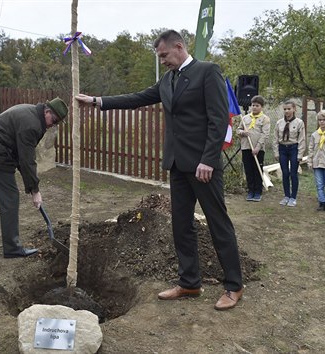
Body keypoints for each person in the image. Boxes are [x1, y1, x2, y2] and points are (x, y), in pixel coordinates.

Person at [76, 30, 244, 311]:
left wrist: (208, 158)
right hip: (177, 164)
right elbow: (137, 98)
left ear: (179, 47)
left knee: (218, 224)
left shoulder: (207, 72)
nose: (162, 61)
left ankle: (234, 286)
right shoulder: (168, 80)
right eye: (160, 57)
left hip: (204, 166)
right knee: (181, 225)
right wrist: (97, 101)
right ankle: (190, 282)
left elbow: (219, 120)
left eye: (164, 55)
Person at [0, 97, 69, 259]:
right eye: (53, 120)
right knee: (10, 198)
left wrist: (32, 186)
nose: (52, 125)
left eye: (56, 123)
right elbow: (27, 160)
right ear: (47, 111)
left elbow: (22, 157)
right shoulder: (32, 125)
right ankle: (12, 248)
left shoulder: (30, 112)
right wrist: (34, 190)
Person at [236, 95, 271, 202]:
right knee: (249, 170)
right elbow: (238, 130)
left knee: (257, 170)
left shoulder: (265, 119)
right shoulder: (245, 118)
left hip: (258, 149)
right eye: (253, 105)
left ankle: (258, 191)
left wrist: (257, 147)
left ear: (262, 107)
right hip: (246, 147)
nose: (254, 107)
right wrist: (242, 132)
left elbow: (265, 134)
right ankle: (250, 190)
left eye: (257, 106)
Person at [273, 100, 306, 207]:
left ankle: (293, 197)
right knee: (285, 173)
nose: (287, 111)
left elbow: (302, 140)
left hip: (293, 148)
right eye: (285, 109)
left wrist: (300, 154)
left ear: (294, 109)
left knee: (293, 173)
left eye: (289, 109)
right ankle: (286, 195)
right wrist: (276, 152)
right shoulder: (279, 123)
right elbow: (275, 138)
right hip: (282, 149)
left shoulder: (299, 123)